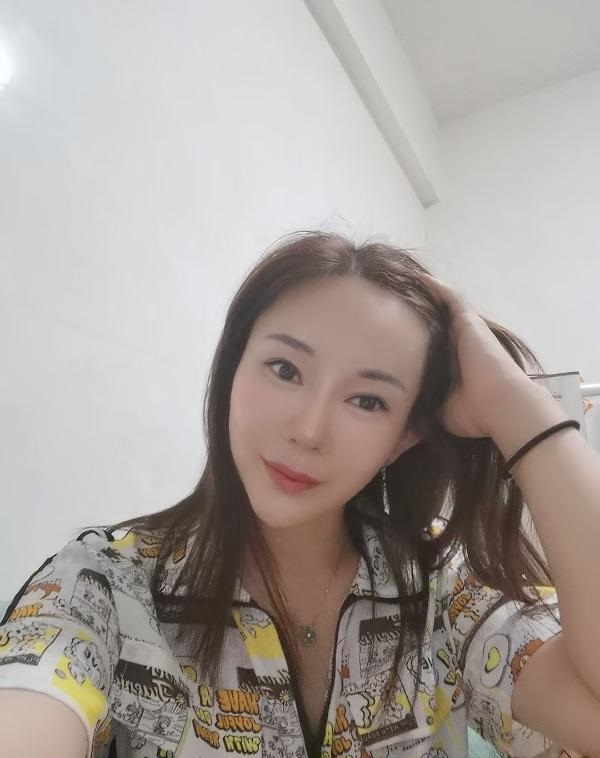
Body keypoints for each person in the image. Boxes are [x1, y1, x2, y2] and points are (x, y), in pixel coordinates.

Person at [1, 230, 599, 758]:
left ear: (403, 437)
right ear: (233, 368)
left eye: (368, 400)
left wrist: (518, 410)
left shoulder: (440, 582)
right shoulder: (105, 585)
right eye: (285, 369)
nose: (309, 431)